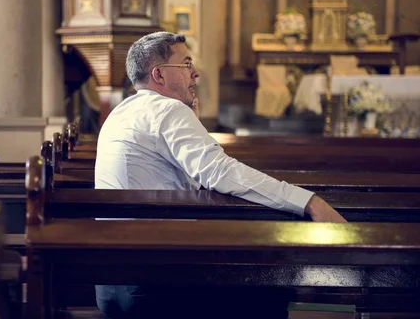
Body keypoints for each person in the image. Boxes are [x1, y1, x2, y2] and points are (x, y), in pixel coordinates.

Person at [94, 31, 346, 318]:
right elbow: (221, 173)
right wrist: (308, 201)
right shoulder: (167, 111)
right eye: (186, 64)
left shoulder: (121, 112)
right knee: (271, 289)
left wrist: (195, 125)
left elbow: (180, 183)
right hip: (151, 286)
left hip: (113, 284)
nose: (195, 73)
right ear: (159, 75)